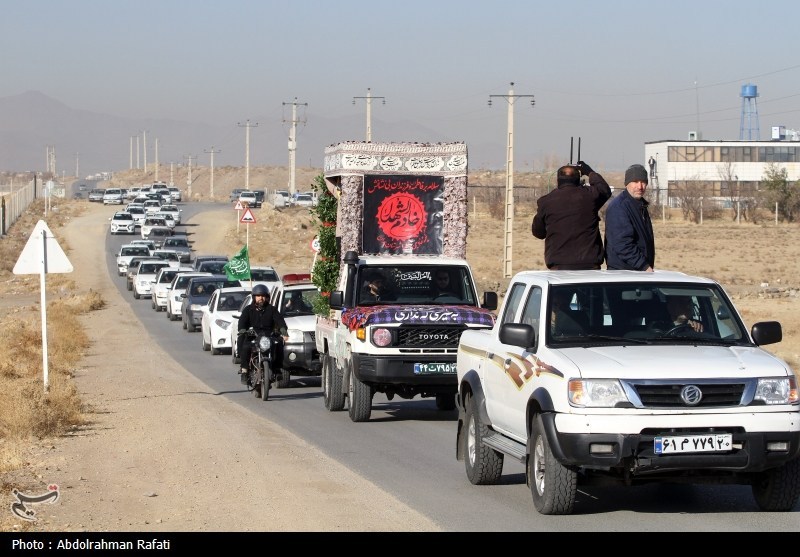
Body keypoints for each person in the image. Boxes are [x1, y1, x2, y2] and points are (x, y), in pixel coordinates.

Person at [531, 161, 612, 270]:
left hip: (559, 265)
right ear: (578, 179)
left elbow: (538, 232)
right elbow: (604, 190)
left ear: (558, 180)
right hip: (590, 264)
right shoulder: (590, 196)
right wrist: (589, 172)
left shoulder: (546, 201)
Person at [604, 164, 656, 271]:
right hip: (624, 273)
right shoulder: (619, 207)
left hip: (637, 271)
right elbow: (622, 244)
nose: (640, 187)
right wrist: (644, 266)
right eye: (635, 182)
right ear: (627, 183)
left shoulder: (640, 205)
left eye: (643, 182)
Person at [237, 284, 289, 383]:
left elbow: (280, 321)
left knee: (279, 343)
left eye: (263, 296)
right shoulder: (248, 309)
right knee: (245, 344)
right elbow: (242, 322)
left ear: (267, 297)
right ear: (254, 297)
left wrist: (284, 332)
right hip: (253, 335)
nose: (261, 298)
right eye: (258, 296)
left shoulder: (272, 309)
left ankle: (277, 369)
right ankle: (244, 370)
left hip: (268, 335)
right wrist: (243, 330)